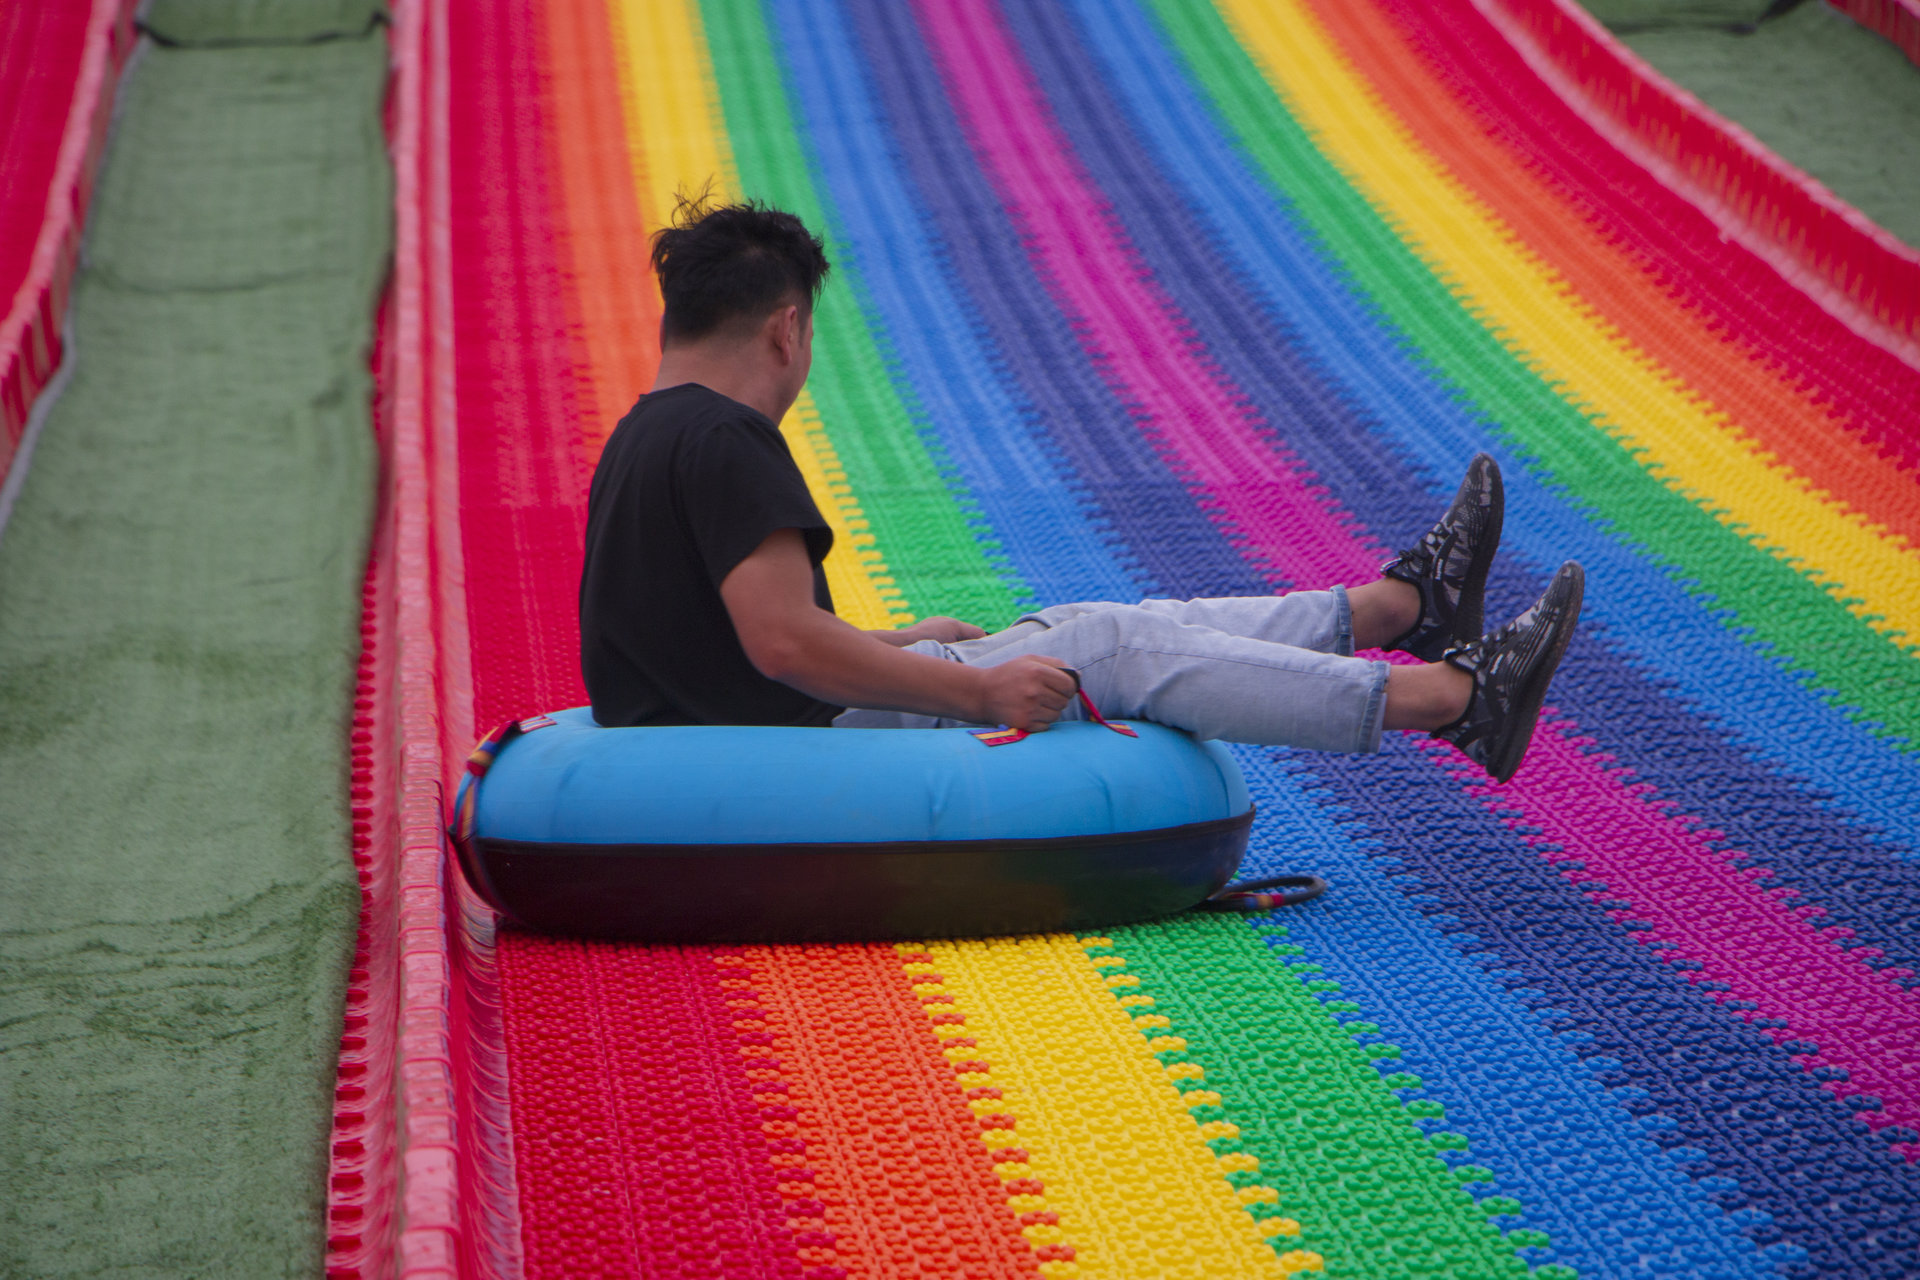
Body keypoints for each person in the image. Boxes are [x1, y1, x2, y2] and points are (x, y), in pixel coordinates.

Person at [580, 199, 1584, 784]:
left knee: (1090, 622)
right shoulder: (729, 437)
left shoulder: (641, 438)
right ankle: (1457, 697)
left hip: (732, 736)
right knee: (1114, 645)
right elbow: (781, 643)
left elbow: (708, 647)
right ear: (786, 330)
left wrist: (899, 642)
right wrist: (973, 688)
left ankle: (1393, 608)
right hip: (788, 753)